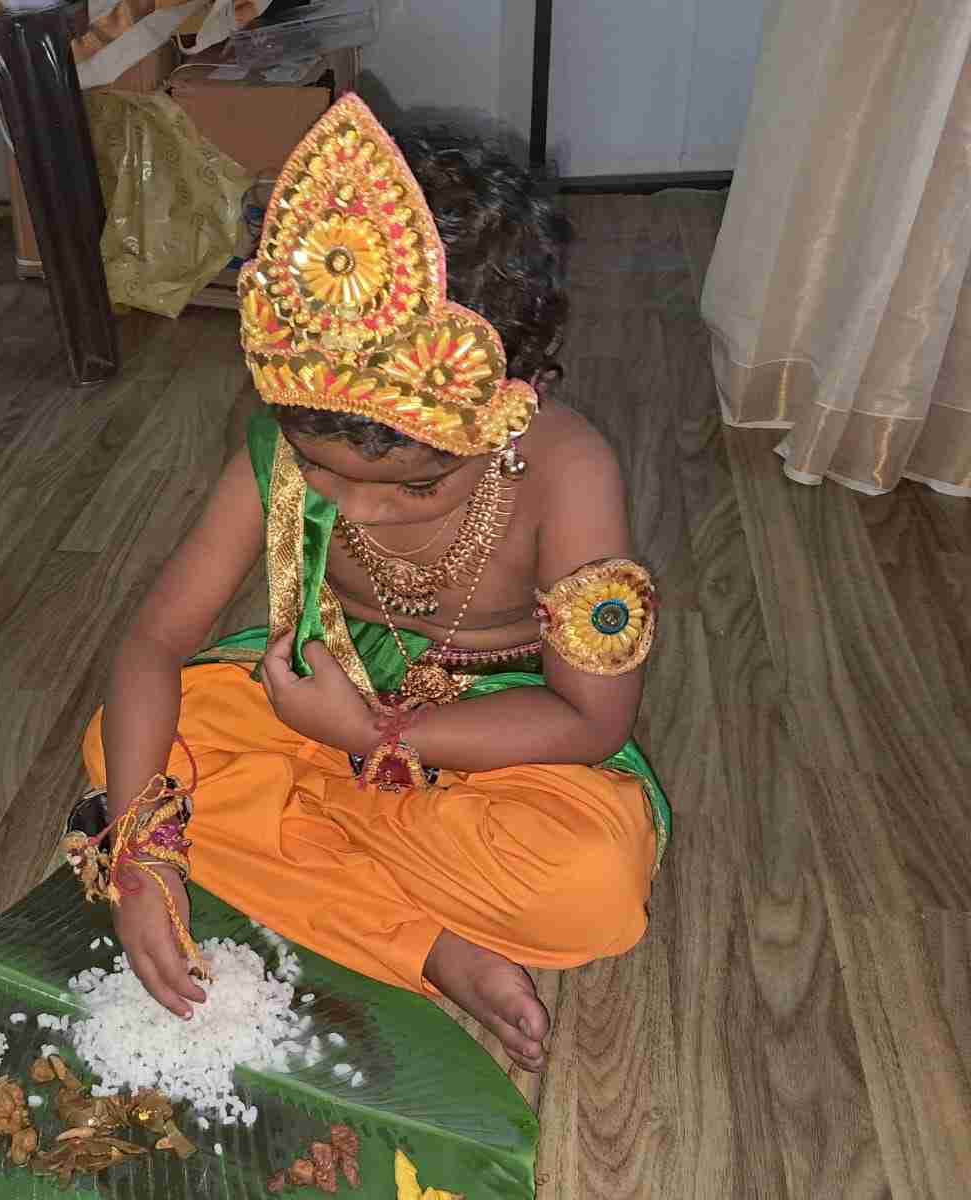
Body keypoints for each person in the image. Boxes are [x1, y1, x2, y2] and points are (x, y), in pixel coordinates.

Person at [67, 96, 668, 1073]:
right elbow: (151, 646)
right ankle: (429, 947)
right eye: (323, 470)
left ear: (515, 409)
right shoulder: (279, 447)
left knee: (594, 885)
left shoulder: (571, 472)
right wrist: (137, 858)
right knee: (117, 746)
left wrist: (367, 739)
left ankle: (305, 839)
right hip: (315, 697)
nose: (354, 510)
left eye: (417, 485)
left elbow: (591, 721)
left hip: (498, 736)